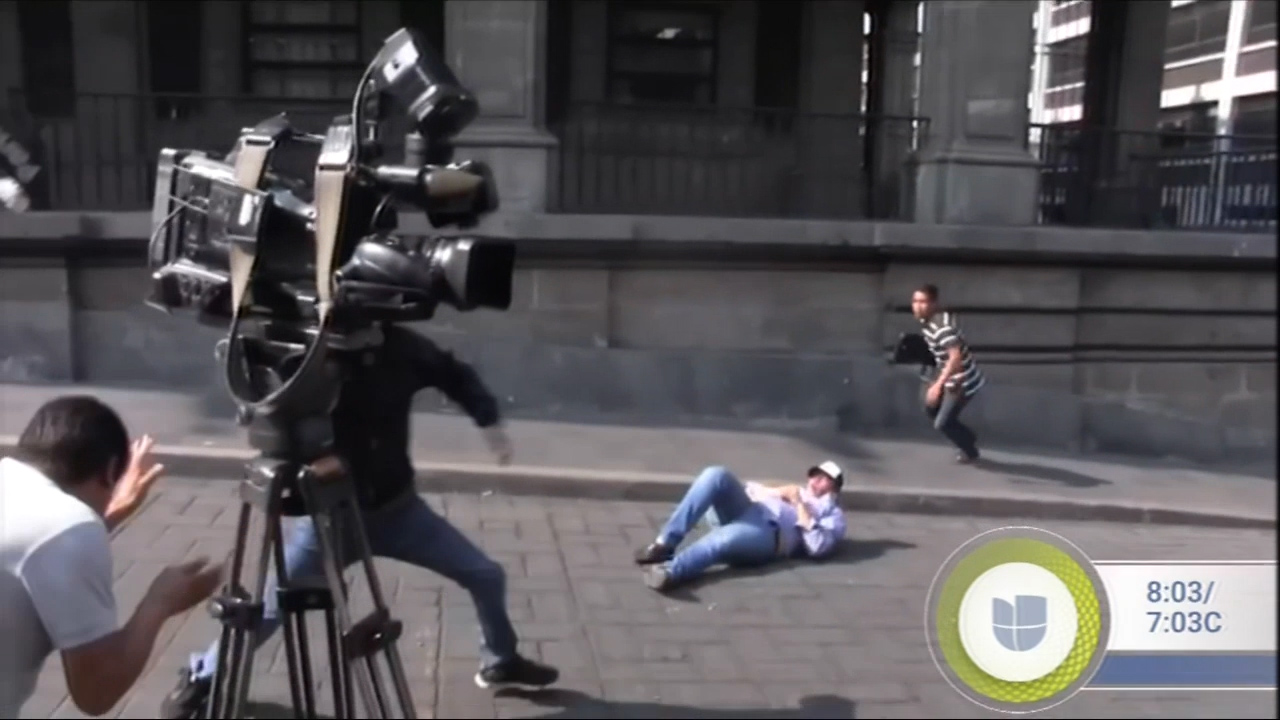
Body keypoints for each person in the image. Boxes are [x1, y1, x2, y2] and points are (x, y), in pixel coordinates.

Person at [162, 324, 558, 719]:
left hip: (400, 512)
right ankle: (202, 676)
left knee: (485, 574)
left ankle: (500, 660)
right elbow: (271, 412)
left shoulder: (401, 347)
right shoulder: (309, 353)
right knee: (271, 607)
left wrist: (488, 420)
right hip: (331, 522)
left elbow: (451, 372)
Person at [1, 396, 222, 717]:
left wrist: (109, 515)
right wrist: (158, 604)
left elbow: (36, 542)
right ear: (108, 471)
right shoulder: (69, 526)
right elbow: (96, 693)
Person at [633, 461, 848, 591]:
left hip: (769, 533)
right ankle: (664, 544)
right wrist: (775, 492)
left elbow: (817, 547)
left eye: (824, 479)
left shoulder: (833, 514)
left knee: (724, 539)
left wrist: (799, 503)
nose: (815, 480)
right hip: (749, 509)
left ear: (835, 488)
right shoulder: (795, 489)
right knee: (716, 474)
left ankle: (672, 571)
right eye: (815, 475)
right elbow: (752, 490)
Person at [911, 283, 986, 463]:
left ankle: (970, 449)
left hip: (962, 380)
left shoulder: (942, 328)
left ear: (933, 304)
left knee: (942, 423)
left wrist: (937, 386)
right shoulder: (929, 322)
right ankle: (966, 436)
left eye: (923, 302)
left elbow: (955, 358)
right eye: (915, 301)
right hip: (948, 373)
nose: (918, 306)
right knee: (930, 406)